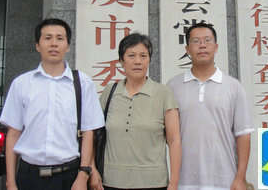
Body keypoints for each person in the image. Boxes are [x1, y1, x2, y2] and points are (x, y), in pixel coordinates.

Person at [0, 18, 104, 190]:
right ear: (37, 45)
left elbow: (88, 132)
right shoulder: (21, 84)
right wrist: (10, 182)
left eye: (59, 38)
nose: (54, 43)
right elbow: (13, 134)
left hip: (69, 176)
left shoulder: (83, 83)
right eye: (47, 38)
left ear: (68, 46)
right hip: (29, 176)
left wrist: (83, 175)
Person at [167, 22, 253, 190]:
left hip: (224, 181)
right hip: (183, 182)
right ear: (187, 49)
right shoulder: (173, 86)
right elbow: (168, 136)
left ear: (216, 47)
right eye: (196, 41)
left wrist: (240, 177)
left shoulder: (233, 86)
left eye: (207, 40)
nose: (202, 45)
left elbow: (243, 134)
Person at [89, 33, 181, 190]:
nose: (138, 61)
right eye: (131, 55)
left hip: (153, 183)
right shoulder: (109, 92)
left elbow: (174, 140)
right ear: (121, 61)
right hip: (111, 182)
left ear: (149, 60)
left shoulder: (164, 93)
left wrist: (174, 183)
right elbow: (93, 134)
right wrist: (92, 169)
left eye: (143, 56)